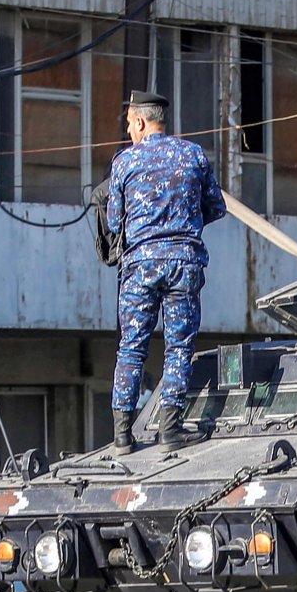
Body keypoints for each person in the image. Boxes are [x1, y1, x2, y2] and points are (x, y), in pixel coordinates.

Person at [106, 92, 227, 454]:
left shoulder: (124, 163)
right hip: (183, 264)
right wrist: (182, 225)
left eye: (129, 124)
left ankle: (123, 435)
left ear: (141, 122)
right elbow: (216, 208)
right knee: (178, 346)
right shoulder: (193, 155)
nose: (129, 130)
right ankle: (170, 430)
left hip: (140, 268)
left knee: (131, 347)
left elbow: (114, 222)